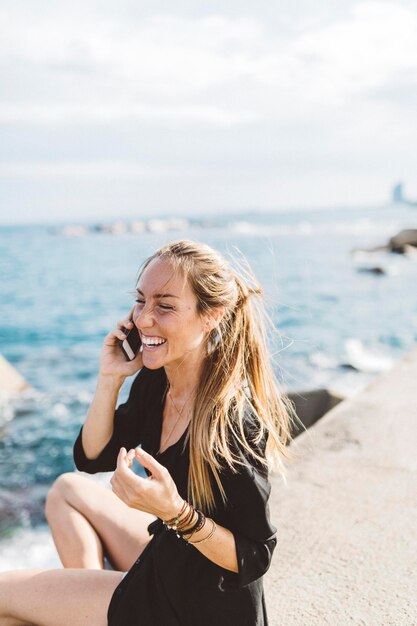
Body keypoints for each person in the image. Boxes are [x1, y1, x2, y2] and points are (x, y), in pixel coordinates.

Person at [0, 239, 296, 626]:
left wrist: (173, 512)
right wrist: (110, 379)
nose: (143, 319)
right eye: (141, 300)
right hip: (171, 559)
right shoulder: (157, 381)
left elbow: (255, 555)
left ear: (212, 316)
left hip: (204, 607)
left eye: (165, 305)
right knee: (66, 492)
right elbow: (93, 457)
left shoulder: (233, 422)